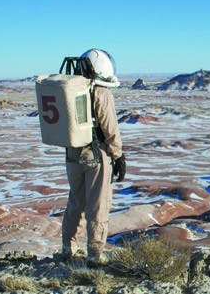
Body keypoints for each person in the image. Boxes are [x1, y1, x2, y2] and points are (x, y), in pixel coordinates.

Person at [61, 48, 126, 266]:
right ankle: (95, 254)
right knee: (97, 206)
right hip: (95, 155)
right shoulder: (99, 92)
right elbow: (110, 127)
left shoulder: (70, 89)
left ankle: (67, 248)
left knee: (76, 202)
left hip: (72, 154)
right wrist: (118, 155)